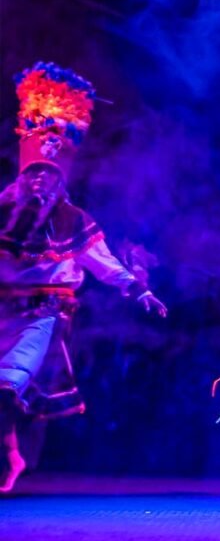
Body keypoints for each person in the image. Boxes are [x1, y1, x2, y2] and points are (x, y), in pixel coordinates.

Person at [0, 61, 166, 492]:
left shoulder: (73, 220)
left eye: (48, 173)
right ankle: (12, 454)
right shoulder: (2, 210)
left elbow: (105, 263)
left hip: (43, 317)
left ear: (60, 180)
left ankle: (14, 455)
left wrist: (139, 291)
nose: (40, 179)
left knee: (10, 383)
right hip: (2, 312)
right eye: (34, 172)